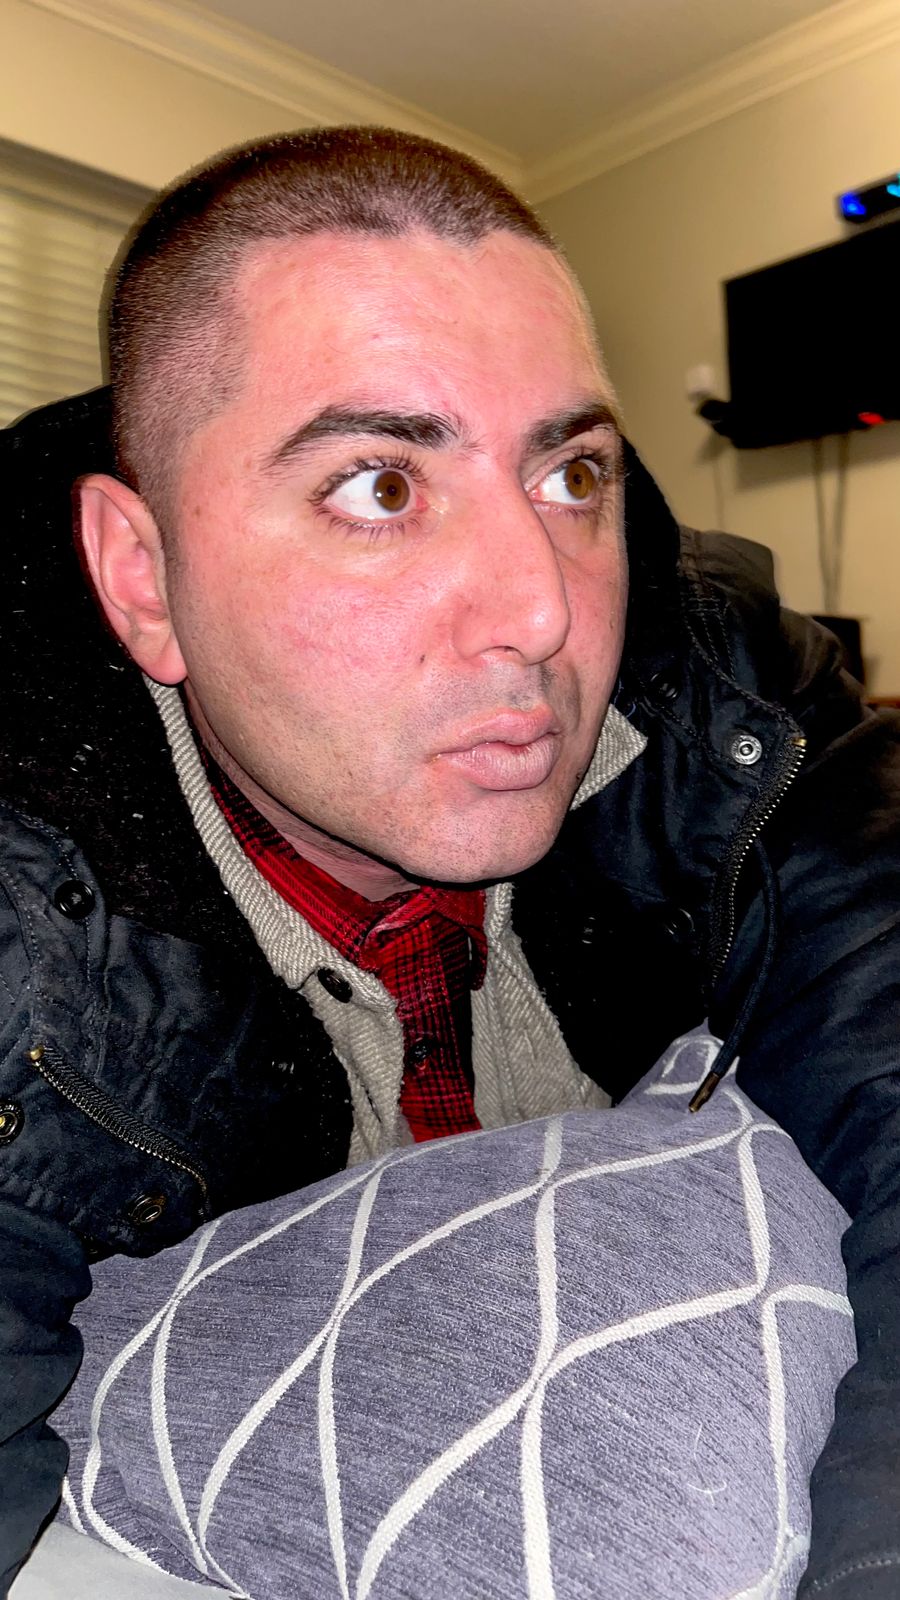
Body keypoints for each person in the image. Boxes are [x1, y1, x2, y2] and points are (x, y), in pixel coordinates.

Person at [0, 125, 896, 1598]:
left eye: (572, 473)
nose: (541, 611)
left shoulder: (728, 701)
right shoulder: (28, 904)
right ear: (143, 578)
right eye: (380, 486)